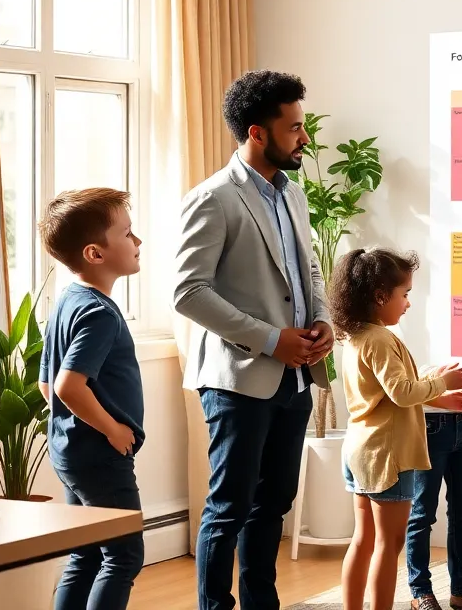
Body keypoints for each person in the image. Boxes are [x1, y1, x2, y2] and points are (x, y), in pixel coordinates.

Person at [173, 70, 336, 610]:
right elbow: (189, 292)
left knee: (275, 503)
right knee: (229, 506)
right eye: (294, 129)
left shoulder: (294, 195)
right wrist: (271, 340)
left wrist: (324, 322)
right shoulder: (213, 198)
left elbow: (308, 270)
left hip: (295, 378)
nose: (304, 138)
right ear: (256, 132)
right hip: (237, 379)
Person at [330, 248, 462, 610]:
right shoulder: (381, 340)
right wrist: (443, 382)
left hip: (361, 450)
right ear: (381, 297)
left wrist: (438, 394)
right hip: (387, 457)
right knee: (388, 544)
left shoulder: (356, 337)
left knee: (363, 539)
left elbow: (387, 394)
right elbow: (401, 391)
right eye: (405, 294)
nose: (408, 304)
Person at [36, 188, 145, 610]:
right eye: (128, 233)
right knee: (123, 555)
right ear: (95, 253)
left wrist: (73, 428)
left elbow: (46, 385)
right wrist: (113, 429)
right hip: (100, 456)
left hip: (71, 452)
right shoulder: (98, 313)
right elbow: (67, 386)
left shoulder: (67, 300)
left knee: (86, 552)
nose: (138, 242)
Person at [405, 382, 462, 610]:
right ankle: (420, 593)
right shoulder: (396, 350)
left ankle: (461, 591)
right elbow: (403, 391)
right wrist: (443, 396)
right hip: (430, 427)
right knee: (422, 515)